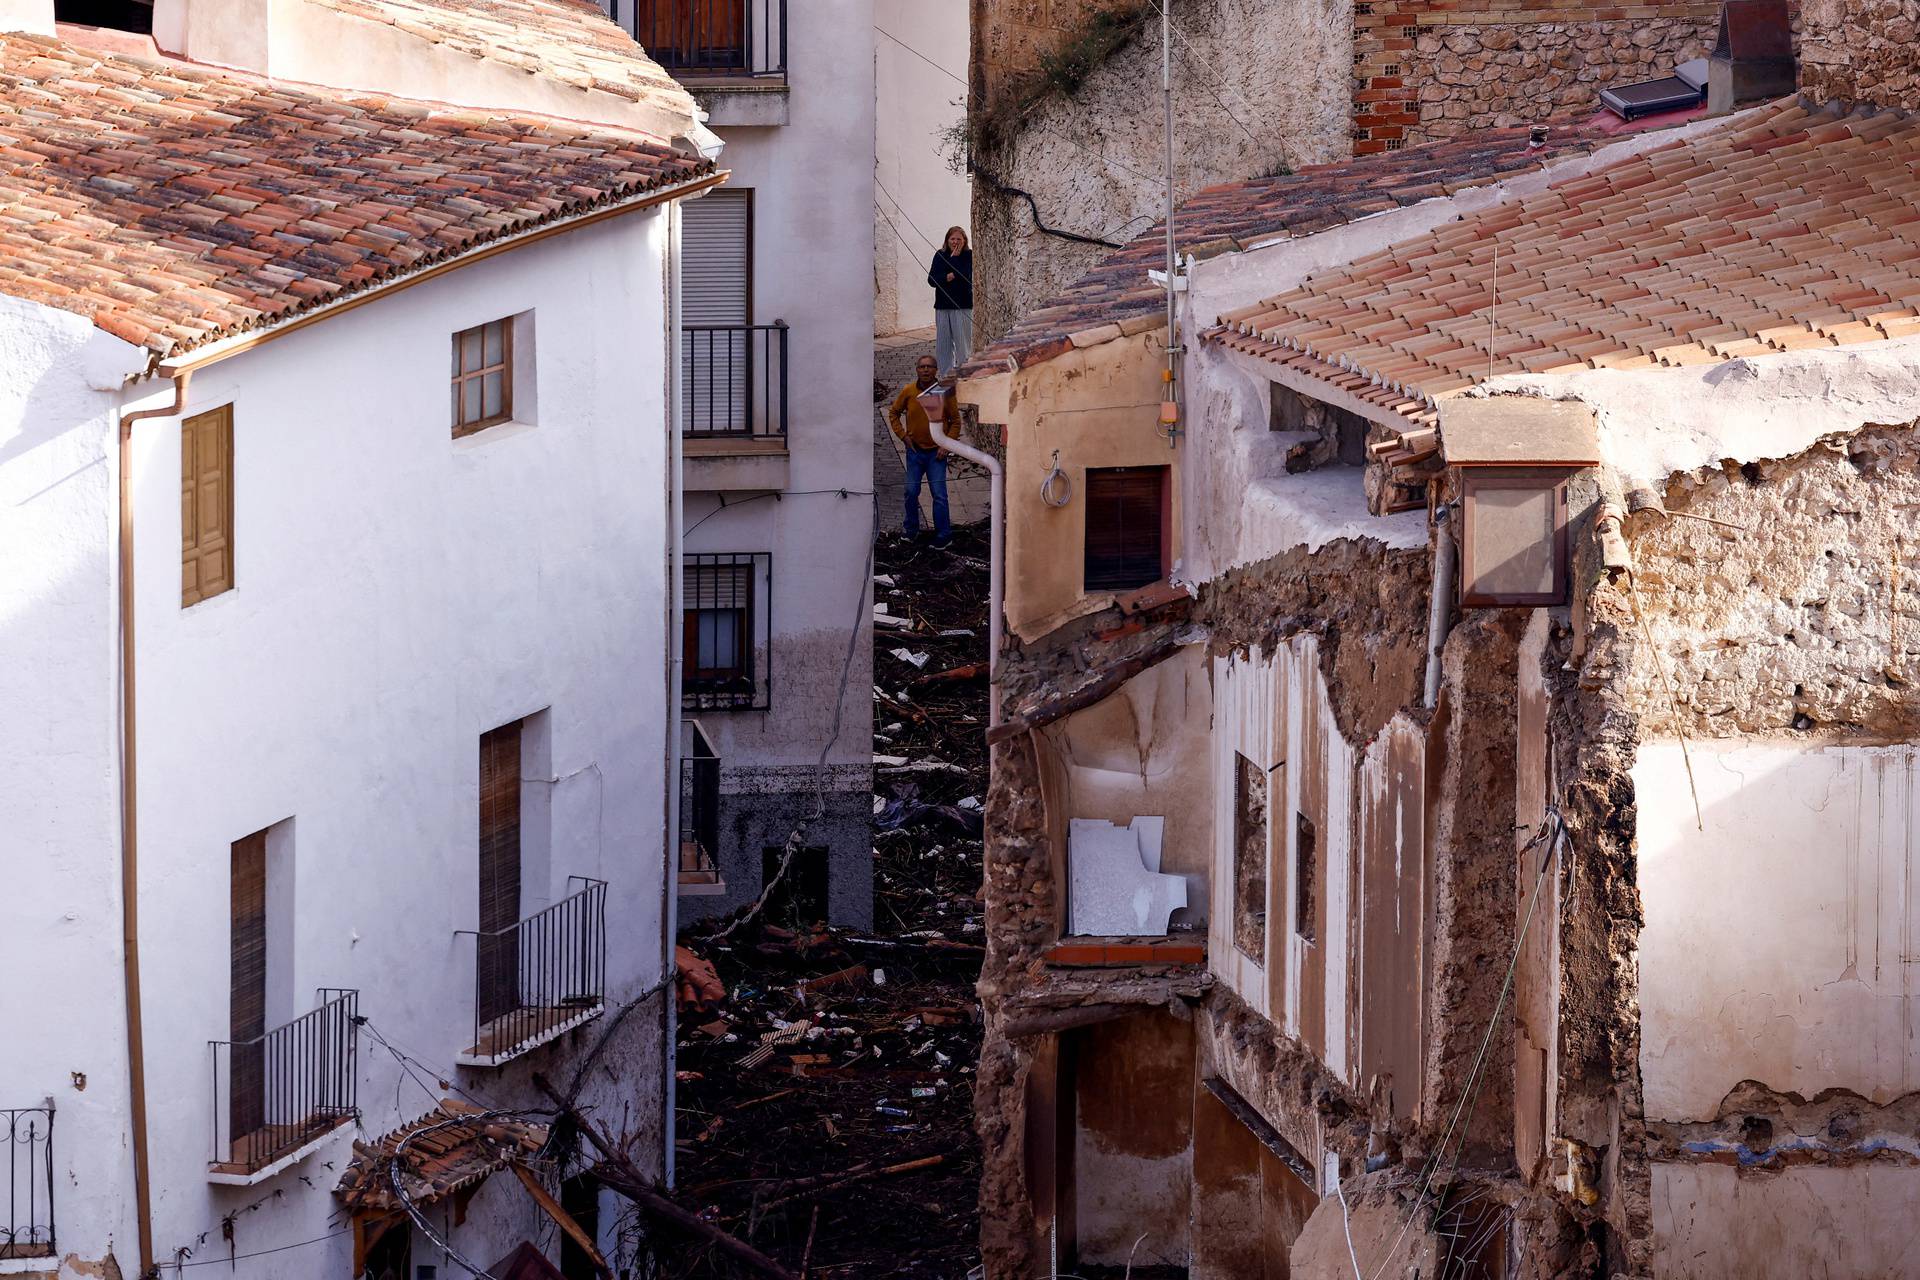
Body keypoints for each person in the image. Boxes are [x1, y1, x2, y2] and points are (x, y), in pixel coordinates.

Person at [886, 354, 954, 548]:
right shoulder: (908, 391)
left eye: (929, 367)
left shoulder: (944, 392)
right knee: (910, 491)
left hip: (936, 454)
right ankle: (911, 530)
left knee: (939, 494)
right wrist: (903, 436)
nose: (925, 370)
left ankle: (943, 535)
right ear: (917, 370)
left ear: (936, 370)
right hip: (915, 452)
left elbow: (955, 421)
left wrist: (945, 445)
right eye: (922, 367)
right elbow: (893, 413)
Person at [928, 226, 973, 376]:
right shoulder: (940, 255)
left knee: (963, 344)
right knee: (943, 344)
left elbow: (965, 276)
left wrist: (954, 259)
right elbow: (932, 279)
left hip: (962, 305)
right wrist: (948, 277)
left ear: (964, 241)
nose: (955, 242)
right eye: (952, 239)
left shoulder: (968, 255)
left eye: (959, 239)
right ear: (947, 240)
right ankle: (945, 374)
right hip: (942, 305)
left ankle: (964, 373)